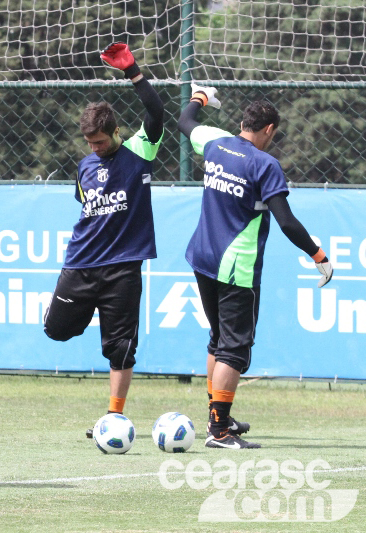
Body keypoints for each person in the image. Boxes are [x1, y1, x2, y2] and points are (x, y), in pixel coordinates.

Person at [177, 85, 333, 449]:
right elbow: (288, 222)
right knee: (234, 348)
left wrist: (201, 97)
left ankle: (218, 415)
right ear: (269, 130)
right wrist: (318, 256)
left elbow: (185, 120)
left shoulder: (215, 143)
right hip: (236, 269)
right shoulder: (265, 164)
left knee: (218, 340)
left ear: (243, 123)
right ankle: (218, 431)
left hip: (201, 258)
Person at [44, 42, 164, 428]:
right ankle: (66, 313)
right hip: (80, 264)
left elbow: (156, 111)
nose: (95, 148)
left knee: (122, 349)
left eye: (100, 141)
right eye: (90, 143)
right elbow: (84, 206)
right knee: (56, 331)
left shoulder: (139, 151)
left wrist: (134, 72)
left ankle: (114, 417)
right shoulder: (84, 165)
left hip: (123, 268)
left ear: (116, 132)